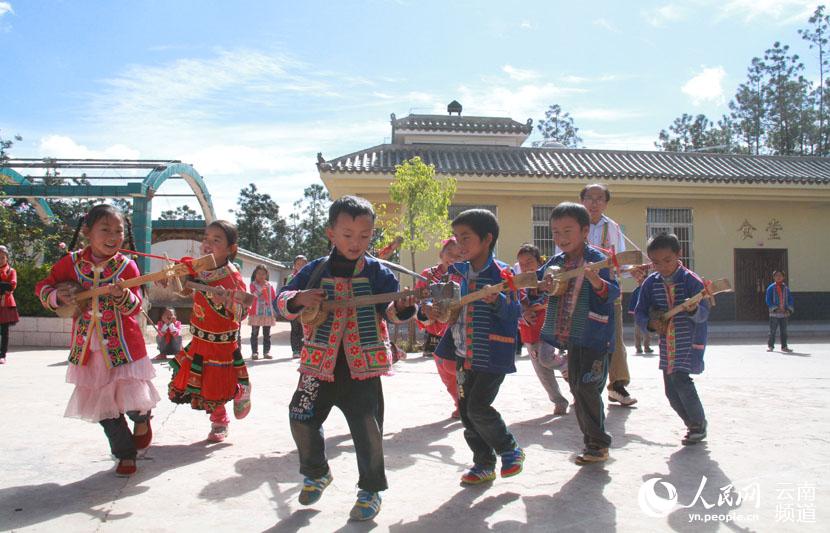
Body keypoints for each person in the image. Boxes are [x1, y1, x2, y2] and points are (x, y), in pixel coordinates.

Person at [275, 195, 416, 522]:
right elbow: (281, 302)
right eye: (348, 235)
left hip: (363, 368)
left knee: (368, 430)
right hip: (317, 365)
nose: (356, 242)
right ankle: (317, 472)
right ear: (331, 234)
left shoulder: (380, 273)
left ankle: (371, 490)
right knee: (300, 415)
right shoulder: (313, 270)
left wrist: (406, 306)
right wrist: (299, 298)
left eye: (364, 236)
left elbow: (393, 313)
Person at [34, 204, 159, 476]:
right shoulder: (70, 263)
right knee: (106, 410)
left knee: (135, 400)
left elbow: (136, 306)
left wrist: (122, 297)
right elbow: (44, 287)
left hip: (125, 348)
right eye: (105, 230)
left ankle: (142, 418)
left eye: (119, 231)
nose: (113, 236)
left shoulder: (128, 265)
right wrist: (58, 297)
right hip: (89, 350)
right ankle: (125, 453)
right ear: (87, 233)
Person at [428, 209, 524, 485]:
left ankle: (509, 449)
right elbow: (445, 308)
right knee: (467, 411)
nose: (459, 245)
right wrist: (434, 309)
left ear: (487, 239)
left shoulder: (503, 274)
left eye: (466, 237)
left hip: (490, 355)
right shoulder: (457, 273)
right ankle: (483, 463)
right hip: (461, 352)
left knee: (479, 407)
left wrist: (497, 301)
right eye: (456, 238)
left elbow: (514, 312)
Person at [538, 202, 619, 464]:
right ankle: (593, 442)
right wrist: (542, 286)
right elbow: (540, 285)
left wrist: (597, 282)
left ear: (585, 231)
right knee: (577, 387)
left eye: (567, 231)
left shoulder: (598, 260)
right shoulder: (555, 262)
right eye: (556, 232)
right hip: (570, 336)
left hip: (594, 336)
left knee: (586, 386)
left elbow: (613, 292)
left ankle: (598, 443)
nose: (561, 238)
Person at [167, 220, 252, 443]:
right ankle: (228, 402)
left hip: (222, 344)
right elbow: (184, 292)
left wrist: (226, 302)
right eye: (206, 238)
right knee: (198, 382)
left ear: (231, 249)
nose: (208, 244)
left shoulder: (232, 276)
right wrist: (173, 278)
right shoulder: (199, 268)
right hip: (199, 339)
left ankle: (222, 418)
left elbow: (242, 312)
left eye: (216, 240)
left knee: (216, 385)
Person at [635, 233, 710, 446]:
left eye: (667, 260)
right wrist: (651, 324)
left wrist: (694, 308)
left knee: (681, 380)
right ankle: (692, 424)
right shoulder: (650, 283)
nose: (662, 266)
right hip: (666, 343)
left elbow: (704, 314)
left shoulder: (692, 281)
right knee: (670, 390)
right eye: (656, 262)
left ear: (679, 255)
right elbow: (640, 312)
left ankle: (697, 424)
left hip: (689, 340)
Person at [579, 183, 637, 407]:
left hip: (608, 290)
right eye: (590, 198)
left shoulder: (612, 227)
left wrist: (632, 270)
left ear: (605, 203)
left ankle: (618, 386)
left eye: (600, 198)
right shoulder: (573, 222)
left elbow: (620, 259)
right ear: (582, 200)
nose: (594, 203)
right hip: (580, 291)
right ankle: (580, 384)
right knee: (580, 337)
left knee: (614, 337)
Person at [516, 243, 569, 416]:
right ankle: (559, 401)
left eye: (529, 261)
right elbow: (514, 306)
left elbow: (550, 301)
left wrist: (533, 307)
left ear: (539, 262)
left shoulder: (548, 281)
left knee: (546, 359)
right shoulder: (518, 284)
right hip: (529, 333)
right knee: (542, 372)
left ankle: (566, 363)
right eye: (522, 263)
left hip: (547, 329)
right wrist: (523, 313)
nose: (526, 266)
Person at [415, 237, 461, 418]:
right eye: (450, 253)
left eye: (458, 256)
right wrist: (425, 308)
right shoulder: (427, 275)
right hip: (435, 330)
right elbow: (419, 298)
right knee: (445, 374)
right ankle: (459, 402)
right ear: (441, 254)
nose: (453, 259)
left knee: (451, 365)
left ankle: (466, 401)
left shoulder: (464, 274)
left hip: (456, 329)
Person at [249, 264, 277, 359]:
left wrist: (274, 309)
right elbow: (254, 295)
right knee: (254, 333)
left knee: (267, 334)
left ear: (266, 275)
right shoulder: (253, 285)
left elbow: (273, 298)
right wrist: (262, 288)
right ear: (255, 274)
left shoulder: (269, 285)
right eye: (259, 273)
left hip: (267, 313)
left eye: (263, 274)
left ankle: (266, 352)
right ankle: (254, 352)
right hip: (256, 313)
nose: (261, 276)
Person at [766, 270, 794, 353]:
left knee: (784, 331)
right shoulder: (771, 288)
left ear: (783, 277)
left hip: (784, 314)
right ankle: (770, 346)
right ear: (774, 277)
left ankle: (784, 346)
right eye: (776, 275)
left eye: (780, 275)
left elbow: (790, 299)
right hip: (774, 314)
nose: (778, 277)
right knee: (772, 331)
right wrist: (775, 308)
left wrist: (789, 310)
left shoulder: (786, 288)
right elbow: (768, 300)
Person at [0, 245, 19, 364]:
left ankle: (2, 354)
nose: (0, 259)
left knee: (4, 331)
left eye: (2, 257)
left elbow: (12, 285)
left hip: (5, 304)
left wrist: (4, 287)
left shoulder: (11, 271)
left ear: (7, 258)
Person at [287, 255, 308, 359]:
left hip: (305, 307)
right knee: (295, 329)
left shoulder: (309, 276)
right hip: (294, 306)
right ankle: (295, 350)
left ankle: (303, 349)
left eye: (303, 264)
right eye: (298, 264)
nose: (301, 266)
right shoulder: (291, 277)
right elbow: (287, 292)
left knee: (304, 329)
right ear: (294, 265)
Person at [628, 267, 653, 354]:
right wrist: (632, 311)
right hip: (637, 313)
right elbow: (633, 301)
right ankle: (638, 347)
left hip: (647, 313)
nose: (639, 281)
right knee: (637, 331)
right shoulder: (636, 291)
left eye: (642, 279)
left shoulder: (649, 291)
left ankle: (647, 346)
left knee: (647, 331)